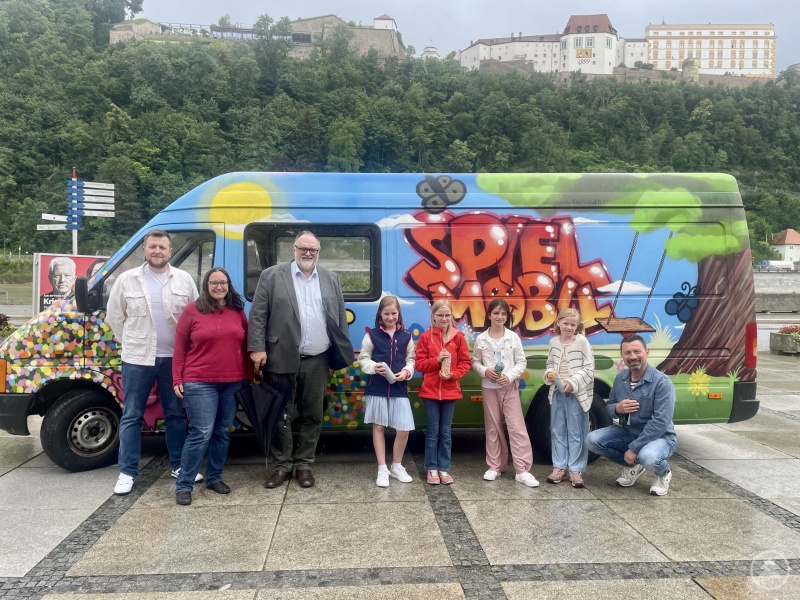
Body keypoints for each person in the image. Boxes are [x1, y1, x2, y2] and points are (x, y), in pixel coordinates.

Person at [248, 231, 350, 489]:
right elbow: (258, 315)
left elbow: (339, 316)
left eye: (313, 250)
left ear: (318, 252)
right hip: (279, 357)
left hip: (317, 359)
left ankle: (304, 464)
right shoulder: (271, 276)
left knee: (312, 414)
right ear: (293, 249)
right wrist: (256, 348)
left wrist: (340, 349)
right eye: (303, 248)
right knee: (280, 414)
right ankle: (283, 465)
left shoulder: (331, 278)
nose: (308, 253)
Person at [106, 229, 199, 496]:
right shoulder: (127, 280)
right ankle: (127, 471)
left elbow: (194, 316)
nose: (157, 251)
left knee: (175, 415)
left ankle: (179, 465)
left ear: (170, 251)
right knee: (132, 415)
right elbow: (115, 317)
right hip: (137, 359)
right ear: (144, 250)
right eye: (152, 247)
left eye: (162, 247)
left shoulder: (183, 279)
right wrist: (133, 343)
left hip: (174, 359)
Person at [172, 268, 248, 505]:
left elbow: (246, 345)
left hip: (232, 381)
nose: (218, 287)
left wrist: (248, 375)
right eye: (213, 283)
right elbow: (180, 347)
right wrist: (177, 378)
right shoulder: (192, 310)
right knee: (201, 433)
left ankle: (214, 478)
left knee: (222, 432)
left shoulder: (237, 310)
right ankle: (184, 485)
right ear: (206, 285)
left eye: (222, 282)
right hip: (199, 381)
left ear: (228, 285)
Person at [585, 334, 677, 496]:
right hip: (629, 432)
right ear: (622, 356)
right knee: (591, 440)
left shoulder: (662, 383)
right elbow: (609, 407)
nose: (633, 356)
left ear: (647, 352)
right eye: (628, 353)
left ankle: (663, 473)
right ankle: (634, 465)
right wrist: (617, 409)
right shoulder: (621, 378)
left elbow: (661, 422)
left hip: (661, 437)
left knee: (648, 456)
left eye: (637, 351)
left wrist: (634, 448)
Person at [472, 298, 539, 487]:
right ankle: (495, 466)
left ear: (507, 316)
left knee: (516, 427)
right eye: (496, 313)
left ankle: (522, 470)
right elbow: (475, 362)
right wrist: (485, 371)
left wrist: (509, 376)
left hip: (509, 387)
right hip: (489, 388)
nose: (499, 317)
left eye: (503, 314)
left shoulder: (513, 337)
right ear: (489, 315)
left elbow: (521, 362)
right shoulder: (481, 339)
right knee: (493, 427)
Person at [357, 295, 416, 487]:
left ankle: (396, 466)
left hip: (399, 388)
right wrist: (374, 367)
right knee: (379, 427)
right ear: (380, 315)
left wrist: (407, 372)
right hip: (378, 388)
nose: (390, 317)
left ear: (398, 314)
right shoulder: (372, 335)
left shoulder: (406, 337)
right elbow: (363, 359)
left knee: (404, 429)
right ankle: (382, 468)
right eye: (386, 313)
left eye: (393, 313)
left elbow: (411, 359)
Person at [415, 299, 471, 485]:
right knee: (432, 431)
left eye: (447, 315)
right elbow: (420, 365)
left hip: (450, 391)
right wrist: (437, 360)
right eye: (440, 315)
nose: (444, 318)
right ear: (433, 317)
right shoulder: (425, 337)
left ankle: (444, 468)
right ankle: (432, 468)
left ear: (452, 316)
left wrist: (452, 375)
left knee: (445, 432)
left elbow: (465, 363)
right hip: (430, 392)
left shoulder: (459, 337)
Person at [544, 308, 595, 488]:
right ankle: (559, 467)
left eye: (573, 324)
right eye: (565, 323)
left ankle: (576, 469)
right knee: (558, 430)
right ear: (558, 323)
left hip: (576, 393)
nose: (569, 327)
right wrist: (549, 375)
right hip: (557, 392)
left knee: (576, 431)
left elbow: (589, 368)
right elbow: (550, 364)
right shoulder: (553, 342)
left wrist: (573, 382)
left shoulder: (582, 341)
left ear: (578, 326)